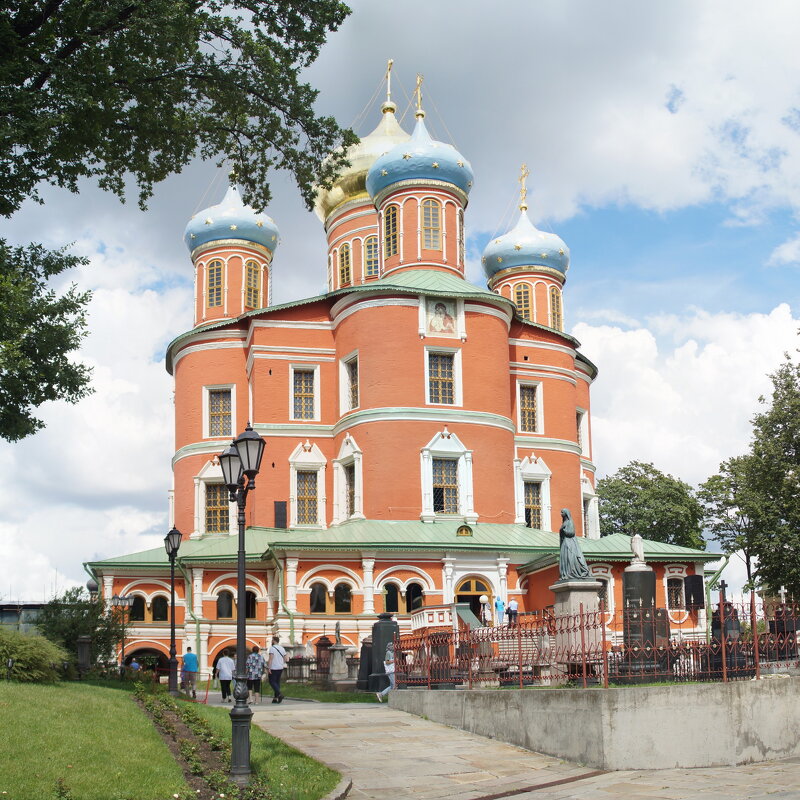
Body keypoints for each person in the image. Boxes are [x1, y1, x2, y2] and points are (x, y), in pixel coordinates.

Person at [558, 508, 591, 581]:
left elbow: (572, 533)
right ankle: (566, 573)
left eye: (562, 512)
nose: (561, 514)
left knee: (571, 557)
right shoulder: (564, 523)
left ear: (566, 513)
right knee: (565, 558)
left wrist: (564, 531)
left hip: (570, 542)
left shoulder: (570, 522)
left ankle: (572, 572)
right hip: (565, 542)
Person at [267, 635, 287, 704]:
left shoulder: (272, 648)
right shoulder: (282, 648)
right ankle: (275, 698)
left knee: (272, 681)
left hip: (273, 667)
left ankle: (279, 694)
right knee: (277, 682)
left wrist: (269, 668)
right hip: (280, 667)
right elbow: (285, 659)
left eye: (272, 640)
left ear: (274, 641)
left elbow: (271, 658)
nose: (271, 641)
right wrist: (281, 663)